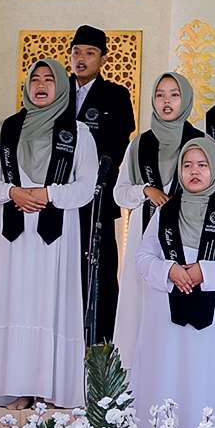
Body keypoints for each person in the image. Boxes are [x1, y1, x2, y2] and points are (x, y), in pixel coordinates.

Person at [0, 60, 99, 408]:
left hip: (55, 237)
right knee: (15, 303)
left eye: (49, 79)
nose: (41, 85)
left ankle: (48, 388)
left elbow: (86, 186)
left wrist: (49, 194)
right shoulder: (4, 130)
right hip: (12, 236)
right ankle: (16, 386)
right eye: (35, 80)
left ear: (62, 87)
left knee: (49, 303)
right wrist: (12, 192)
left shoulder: (78, 133)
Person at [132, 140, 215, 428]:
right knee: (169, 377)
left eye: (202, 165)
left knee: (213, 381)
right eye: (187, 165)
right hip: (167, 318)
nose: (194, 172)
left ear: (214, 169)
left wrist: (206, 272)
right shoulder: (165, 212)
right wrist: (170, 270)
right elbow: (143, 257)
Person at [110, 72, 206, 376]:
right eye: (160, 95)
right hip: (145, 238)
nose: (167, 101)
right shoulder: (140, 144)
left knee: (176, 305)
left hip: (188, 239)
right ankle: (136, 379)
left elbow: (214, 191)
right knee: (140, 306)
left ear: (185, 99)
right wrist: (145, 191)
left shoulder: (201, 143)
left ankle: (174, 377)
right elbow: (119, 192)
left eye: (174, 95)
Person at [67, 25, 135, 346]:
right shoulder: (58, 91)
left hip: (97, 198)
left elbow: (118, 145)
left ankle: (102, 347)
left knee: (100, 271)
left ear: (103, 59)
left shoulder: (115, 96)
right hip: (60, 198)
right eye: (76, 52)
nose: (81, 59)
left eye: (90, 53)